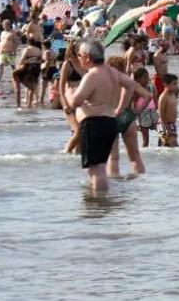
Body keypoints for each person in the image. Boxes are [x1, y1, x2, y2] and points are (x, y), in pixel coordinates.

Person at [64, 41, 152, 194]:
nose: (78, 58)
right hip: (110, 121)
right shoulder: (112, 73)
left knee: (96, 170)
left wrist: (68, 94)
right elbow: (131, 85)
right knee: (102, 167)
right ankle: (106, 200)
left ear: (87, 57)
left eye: (80, 55)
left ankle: (99, 203)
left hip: (94, 124)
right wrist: (122, 107)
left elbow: (75, 102)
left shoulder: (92, 75)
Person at [156, 74, 179, 148]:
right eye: (174, 84)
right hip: (165, 124)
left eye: (176, 84)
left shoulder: (173, 94)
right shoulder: (163, 97)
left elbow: (178, 90)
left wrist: (176, 88)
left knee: (167, 146)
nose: (176, 86)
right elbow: (161, 114)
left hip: (172, 124)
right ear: (165, 84)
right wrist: (167, 128)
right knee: (173, 145)